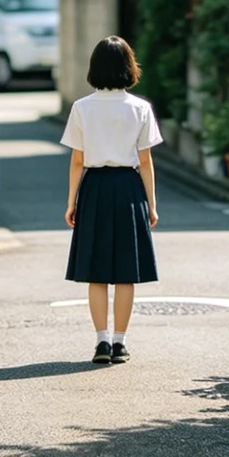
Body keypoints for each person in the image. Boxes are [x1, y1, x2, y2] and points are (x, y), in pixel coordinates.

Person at [61, 35, 162, 365]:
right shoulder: (140, 108)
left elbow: (77, 160)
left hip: (94, 187)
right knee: (125, 271)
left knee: (97, 270)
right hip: (129, 188)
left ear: (94, 68)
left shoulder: (81, 108)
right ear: (129, 67)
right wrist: (151, 204)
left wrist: (72, 202)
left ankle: (101, 343)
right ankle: (120, 343)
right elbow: (145, 161)